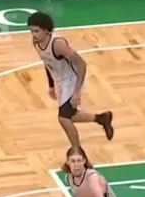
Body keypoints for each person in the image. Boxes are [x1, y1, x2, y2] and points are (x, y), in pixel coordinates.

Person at [29, 11, 115, 150]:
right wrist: (51, 85)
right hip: (61, 80)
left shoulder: (58, 44)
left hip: (73, 79)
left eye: (36, 31)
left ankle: (77, 152)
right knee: (71, 115)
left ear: (46, 30)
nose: (33, 34)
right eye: (32, 31)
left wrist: (76, 92)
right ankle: (101, 118)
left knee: (63, 117)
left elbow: (82, 64)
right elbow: (47, 62)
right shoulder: (36, 43)